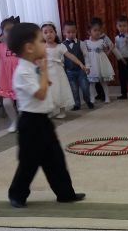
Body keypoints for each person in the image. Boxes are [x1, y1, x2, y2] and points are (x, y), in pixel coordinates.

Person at [6, 22, 85, 208]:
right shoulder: (22, 72)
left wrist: (43, 73)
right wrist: (43, 72)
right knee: (29, 162)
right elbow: (40, 93)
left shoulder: (33, 66)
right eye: (41, 41)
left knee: (55, 158)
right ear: (29, 48)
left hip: (43, 120)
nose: (45, 44)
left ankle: (65, 193)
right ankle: (17, 194)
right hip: (30, 123)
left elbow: (45, 86)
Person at [41, 22, 85, 118]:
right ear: (42, 35)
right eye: (45, 32)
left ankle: (62, 111)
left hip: (58, 73)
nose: (49, 34)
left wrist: (80, 63)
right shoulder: (41, 47)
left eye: (51, 31)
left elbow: (70, 56)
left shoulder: (60, 46)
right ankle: (51, 110)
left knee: (61, 90)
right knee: (50, 92)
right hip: (47, 73)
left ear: (55, 33)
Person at [85, 17, 121, 103]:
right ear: (89, 32)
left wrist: (110, 49)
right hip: (92, 66)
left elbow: (106, 54)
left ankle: (107, 97)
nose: (97, 32)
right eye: (95, 30)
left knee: (104, 82)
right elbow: (85, 55)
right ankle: (92, 98)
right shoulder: (86, 43)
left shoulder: (102, 42)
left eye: (99, 30)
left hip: (101, 64)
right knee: (92, 83)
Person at [62, 21, 93, 110]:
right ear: (64, 33)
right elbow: (62, 59)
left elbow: (86, 56)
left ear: (76, 31)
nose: (71, 34)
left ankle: (88, 100)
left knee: (85, 87)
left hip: (81, 70)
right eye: (68, 32)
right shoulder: (62, 45)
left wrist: (87, 67)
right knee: (74, 89)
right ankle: (77, 104)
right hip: (69, 71)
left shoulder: (81, 43)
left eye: (73, 32)